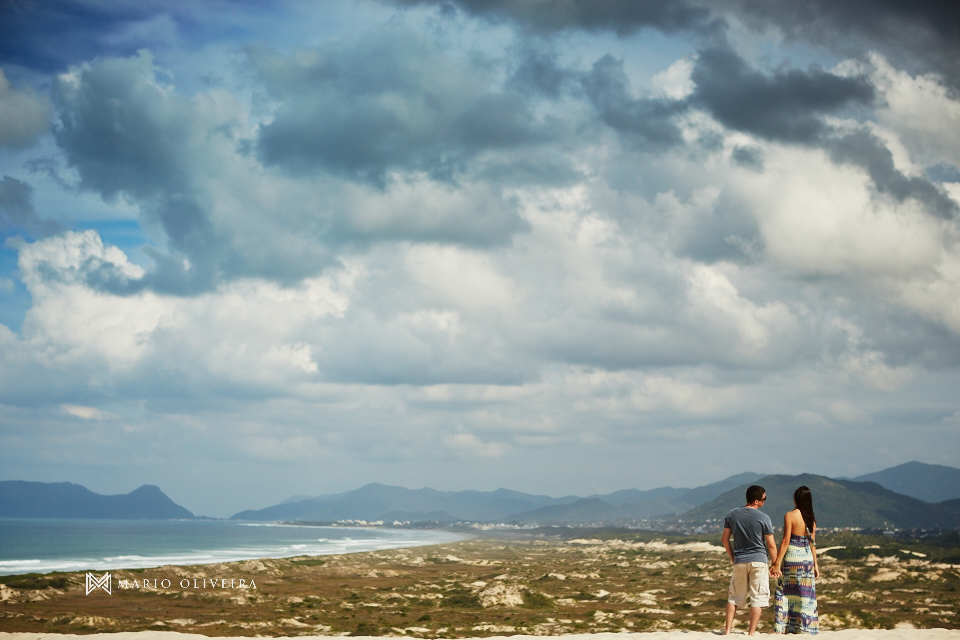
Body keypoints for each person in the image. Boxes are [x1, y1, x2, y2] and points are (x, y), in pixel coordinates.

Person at [722, 484, 778, 636]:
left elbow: (725, 539)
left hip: (740, 560)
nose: (765, 501)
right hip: (759, 560)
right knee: (758, 599)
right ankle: (751, 633)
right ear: (756, 501)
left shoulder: (732, 514)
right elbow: (771, 545)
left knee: (734, 597)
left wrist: (733, 557)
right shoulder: (764, 517)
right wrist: (775, 564)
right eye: (764, 499)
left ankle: (727, 630)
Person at [773, 486, 819, 634]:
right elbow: (813, 544)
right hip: (807, 559)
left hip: (792, 557)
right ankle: (805, 627)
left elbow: (786, 541)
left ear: (796, 499)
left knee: (785, 591)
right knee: (805, 594)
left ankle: (783, 626)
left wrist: (777, 563)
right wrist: (816, 565)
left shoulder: (790, 515)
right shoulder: (811, 519)